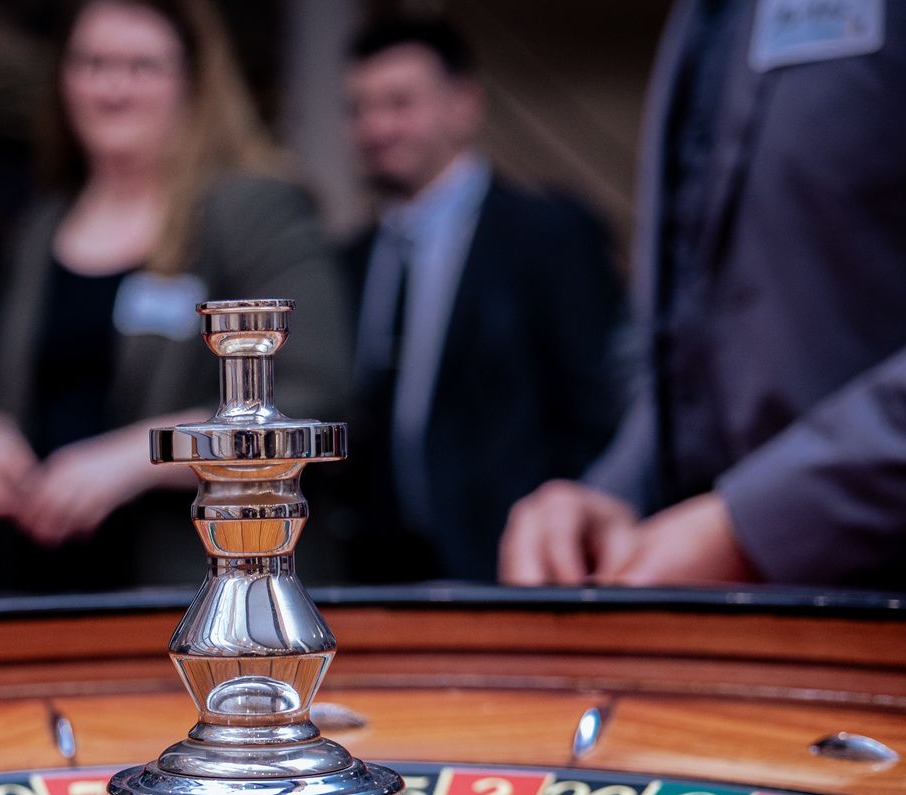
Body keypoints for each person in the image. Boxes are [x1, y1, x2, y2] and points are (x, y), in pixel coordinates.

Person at [499, 0, 906, 588]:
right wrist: (614, 499)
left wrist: (754, 525)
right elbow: (691, 333)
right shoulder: (702, 19)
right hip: (724, 625)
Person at [0, 0, 352, 591]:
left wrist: (133, 461)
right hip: (38, 579)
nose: (111, 88)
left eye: (141, 66)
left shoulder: (253, 210)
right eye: (91, 63)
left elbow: (312, 398)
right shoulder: (42, 224)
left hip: (199, 587)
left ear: (193, 81)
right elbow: (2, 383)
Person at [330, 17, 624, 584]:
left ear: (463, 106)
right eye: (359, 109)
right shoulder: (350, 259)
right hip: (376, 576)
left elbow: (596, 408)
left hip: (513, 572)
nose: (376, 127)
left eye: (399, 103)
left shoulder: (550, 235)